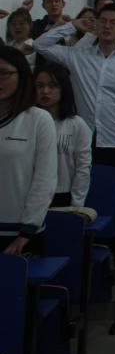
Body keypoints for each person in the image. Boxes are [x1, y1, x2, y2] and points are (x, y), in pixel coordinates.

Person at [35, 4, 115, 167]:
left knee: (108, 182)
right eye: (102, 21)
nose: (107, 26)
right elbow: (40, 44)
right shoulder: (78, 55)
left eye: (113, 22)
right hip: (81, 138)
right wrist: (73, 25)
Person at [0, 47, 56, 255]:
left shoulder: (38, 120)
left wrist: (27, 229)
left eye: (4, 74)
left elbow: (45, 178)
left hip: (19, 232)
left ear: (21, 76)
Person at [36, 62, 92, 208]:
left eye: (53, 86)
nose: (45, 91)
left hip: (63, 195)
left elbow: (82, 168)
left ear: (63, 89)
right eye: (40, 86)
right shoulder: (27, 122)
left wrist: (77, 204)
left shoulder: (77, 125)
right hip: (32, 194)